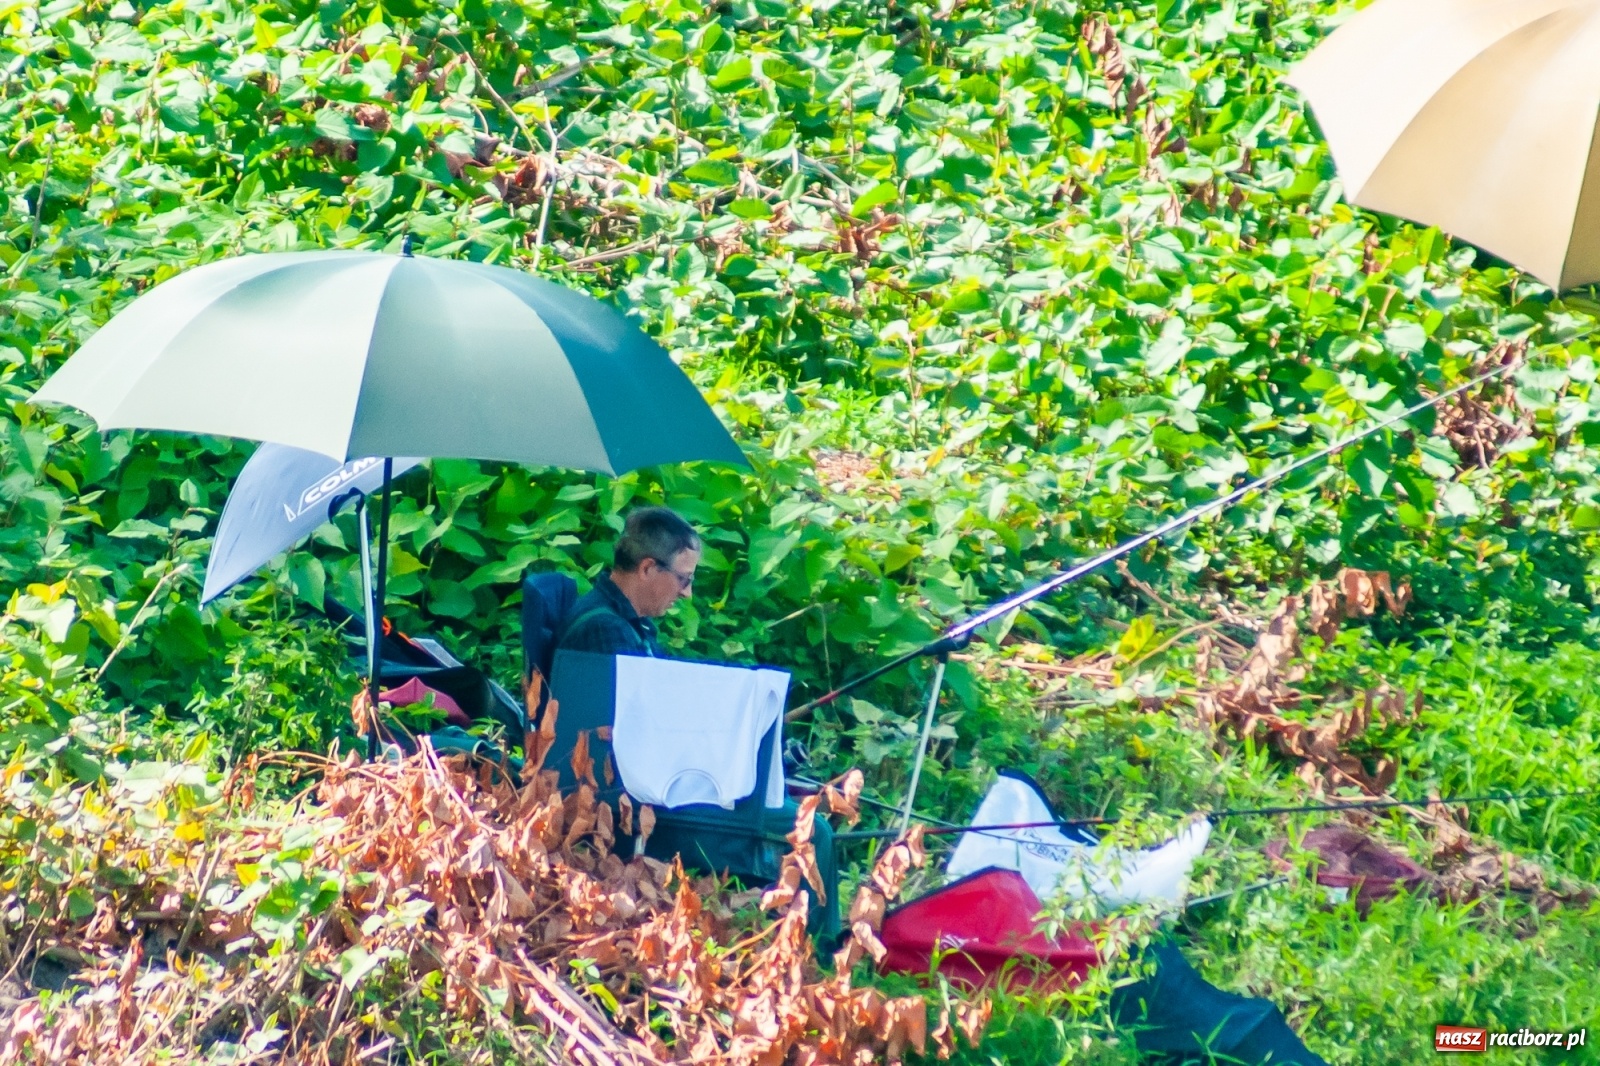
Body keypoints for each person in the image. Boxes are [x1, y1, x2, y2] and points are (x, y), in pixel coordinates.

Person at [557, 506, 700, 657]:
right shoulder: (606, 631)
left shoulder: (631, 622)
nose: (687, 593)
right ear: (647, 569)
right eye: (684, 579)